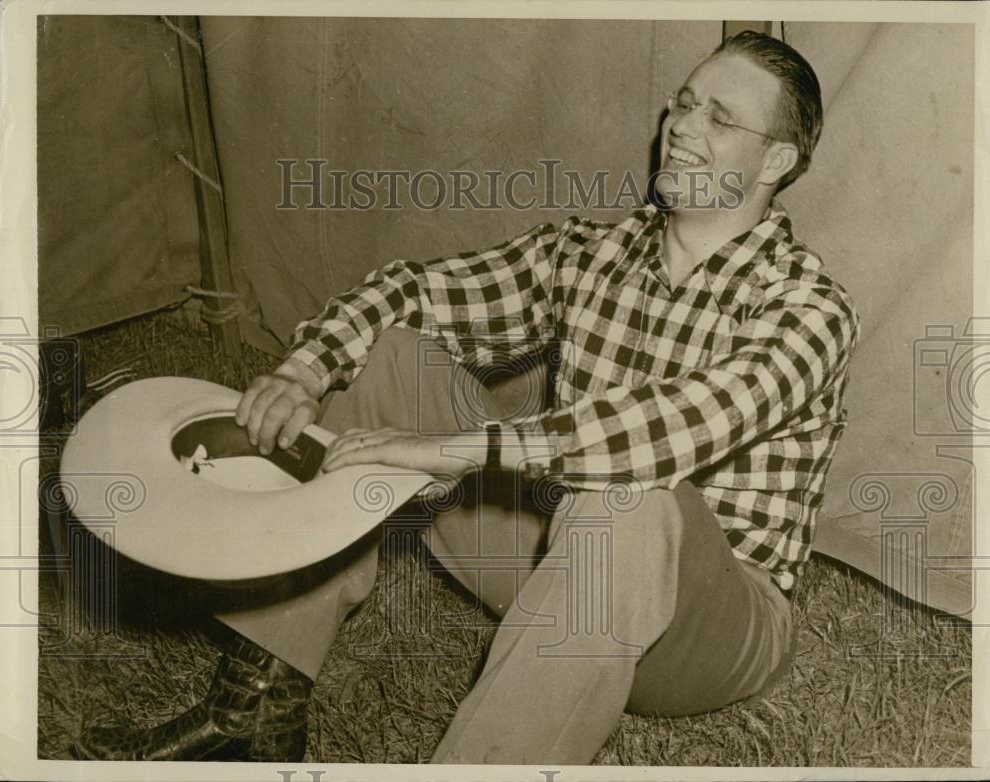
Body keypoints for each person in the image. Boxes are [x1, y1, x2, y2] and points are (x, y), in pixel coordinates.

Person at [72, 30, 859, 765]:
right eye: (684, 102)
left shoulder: (810, 309)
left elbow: (673, 428)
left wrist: (456, 448)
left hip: (711, 626)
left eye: (719, 118)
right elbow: (416, 292)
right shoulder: (591, 251)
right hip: (567, 561)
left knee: (631, 499)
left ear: (775, 162)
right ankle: (258, 701)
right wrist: (308, 368)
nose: (683, 126)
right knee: (389, 358)